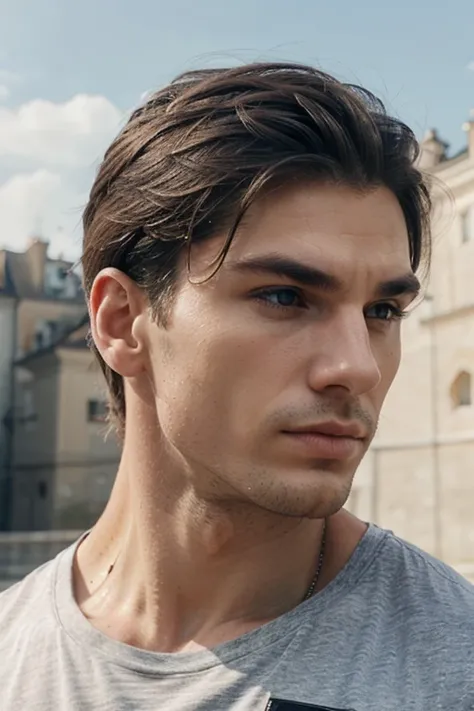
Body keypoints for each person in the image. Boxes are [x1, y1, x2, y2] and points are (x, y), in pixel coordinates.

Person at [0, 62, 473, 711]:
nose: (357, 366)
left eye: (382, 311)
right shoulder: (11, 655)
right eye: (285, 296)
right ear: (120, 321)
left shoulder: (454, 666)